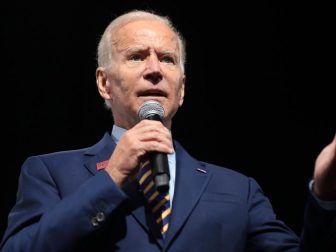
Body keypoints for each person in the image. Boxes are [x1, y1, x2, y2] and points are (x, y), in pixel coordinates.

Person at [1, 9, 335, 252]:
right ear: (104, 83)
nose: (154, 70)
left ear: (182, 88)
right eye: (136, 57)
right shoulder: (50, 172)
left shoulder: (238, 190)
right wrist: (111, 178)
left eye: (168, 59)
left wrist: (324, 194)